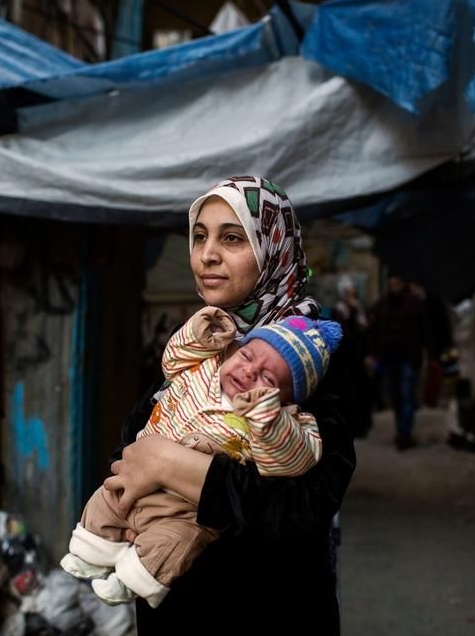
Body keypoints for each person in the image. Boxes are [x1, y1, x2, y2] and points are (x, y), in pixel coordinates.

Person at [104, 176, 356, 634]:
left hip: (263, 609)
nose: (207, 254)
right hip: (173, 607)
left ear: (273, 248)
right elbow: (129, 451)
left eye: (232, 237)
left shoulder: (306, 358)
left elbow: (299, 508)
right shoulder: (199, 341)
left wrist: (167, 462)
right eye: (199, 236)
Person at [60, 306, 342, 607]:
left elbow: (292, 470)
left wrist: (267, 419)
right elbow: (173, 360)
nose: (248, 372)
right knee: (104, 501)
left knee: (172, 544)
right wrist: (200, 331)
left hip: (209, 547)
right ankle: (93, 552)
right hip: (138, 495)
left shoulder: (285, 419)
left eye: (267, 379)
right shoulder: (203, 366)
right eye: (245, 356)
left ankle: (130, 580)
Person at [369, 274, 427, 450]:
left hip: (408, 357)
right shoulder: (383, 304)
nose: (394, 284)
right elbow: (374, 330)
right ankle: (402, 431)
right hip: (390, 358)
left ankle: (404, 434)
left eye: (397, 281)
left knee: (406, 395)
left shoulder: (414, 303)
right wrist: (373, 354)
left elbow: (423, 330)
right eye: (392, 281)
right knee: (396, 397)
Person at [331, 275, 375, 437]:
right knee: (349, 393)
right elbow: (344, 332)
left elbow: (367, 332)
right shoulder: (339, 310)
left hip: (360, 359)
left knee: (363, 391)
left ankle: (363, 425)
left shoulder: (360, 309)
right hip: (346, 359)